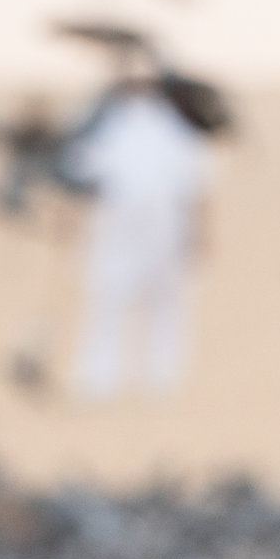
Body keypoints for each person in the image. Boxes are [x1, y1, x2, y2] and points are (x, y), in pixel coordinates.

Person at [70, 77, 214, 402]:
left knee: (165, 303)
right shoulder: (110, 126)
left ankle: (159, 380)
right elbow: (81, 180)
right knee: (110, 300)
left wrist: (199, 233)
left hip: (163, 227)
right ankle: (100, 379)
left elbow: (197, 185)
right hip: (118, 228)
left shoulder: (176, 129)